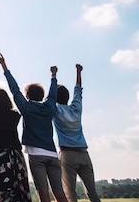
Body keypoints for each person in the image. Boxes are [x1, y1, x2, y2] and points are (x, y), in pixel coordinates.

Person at [0, 54, 67, 202]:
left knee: (44, 195)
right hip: (53, 155)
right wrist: (53, 76)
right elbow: (53, 95)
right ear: (42, 96)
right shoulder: (49, 107)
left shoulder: (26, 108)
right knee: (60, 193)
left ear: (27, 96)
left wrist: (4, 67)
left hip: (37, 155)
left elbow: (14, 89)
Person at [0, 55, 33, 202]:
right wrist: (4, 65)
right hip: (16, 155)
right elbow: (15, 90)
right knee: (21, 189)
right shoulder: (15, 115)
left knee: (3, 190)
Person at [54, 64, 101, 202]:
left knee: (70, 195)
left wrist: (54, 76)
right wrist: (78, 72)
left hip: (68, 155)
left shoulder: (56, 110)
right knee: (93, 194)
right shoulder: (76, 108)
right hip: (84, 154)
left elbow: (52, 97)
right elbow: (78, 91)